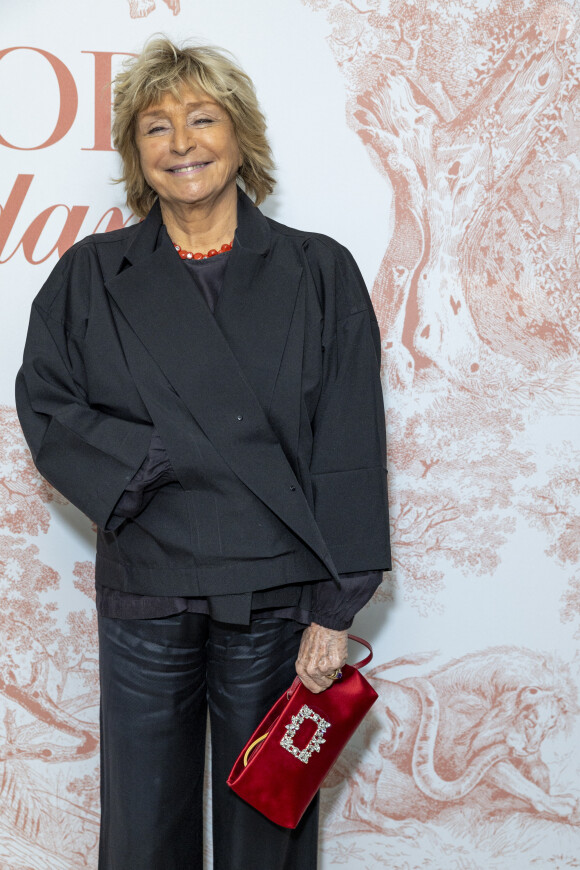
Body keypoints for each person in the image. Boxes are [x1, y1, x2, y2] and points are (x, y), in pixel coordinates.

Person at [15, 37, 391, 870]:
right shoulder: (91, 276)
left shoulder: (319, 271)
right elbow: (46, 403)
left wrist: (337, 607)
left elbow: (351, 446)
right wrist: (152, 463)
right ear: (135, 153)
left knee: (271, 814)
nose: (180, 142)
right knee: (144, 823)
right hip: (148, 588)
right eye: (156, 126)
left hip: (279, 598)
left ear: (240, 136)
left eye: (201, 118)